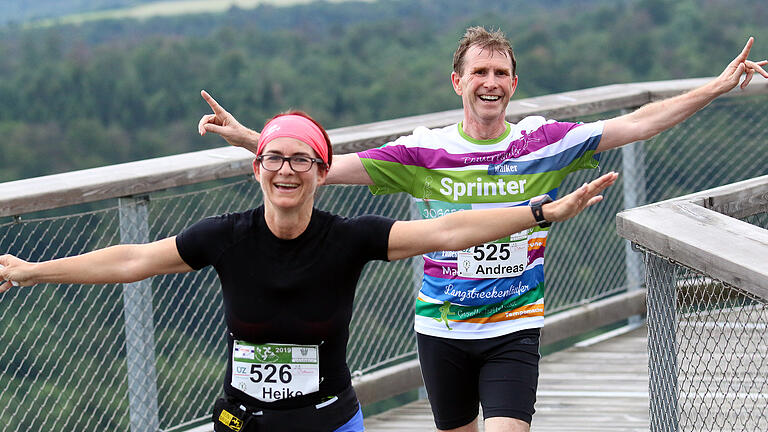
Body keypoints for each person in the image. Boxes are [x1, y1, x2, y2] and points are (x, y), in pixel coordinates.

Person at [196, 27, 768, 432]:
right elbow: (324, 168)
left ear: (513, 85)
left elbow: (637, 123)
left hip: (514, 326)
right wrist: (257, 141)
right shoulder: (426, 151)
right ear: (457, 82)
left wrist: (714, 89)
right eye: (479, 73)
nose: (489, 82)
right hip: (441, 329)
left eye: (500, 73)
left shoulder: (543, 142)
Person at [0, 111, 617, 432]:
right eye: (274, 158)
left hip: (328, 420)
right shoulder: (226, 237)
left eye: (302, 159)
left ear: (323, 172)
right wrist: (32, 271)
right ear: (256, 168)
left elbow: (448, 229)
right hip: (242, 417)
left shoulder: (348, 239)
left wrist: (539, 210)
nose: (287, 170)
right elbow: (133, 260)